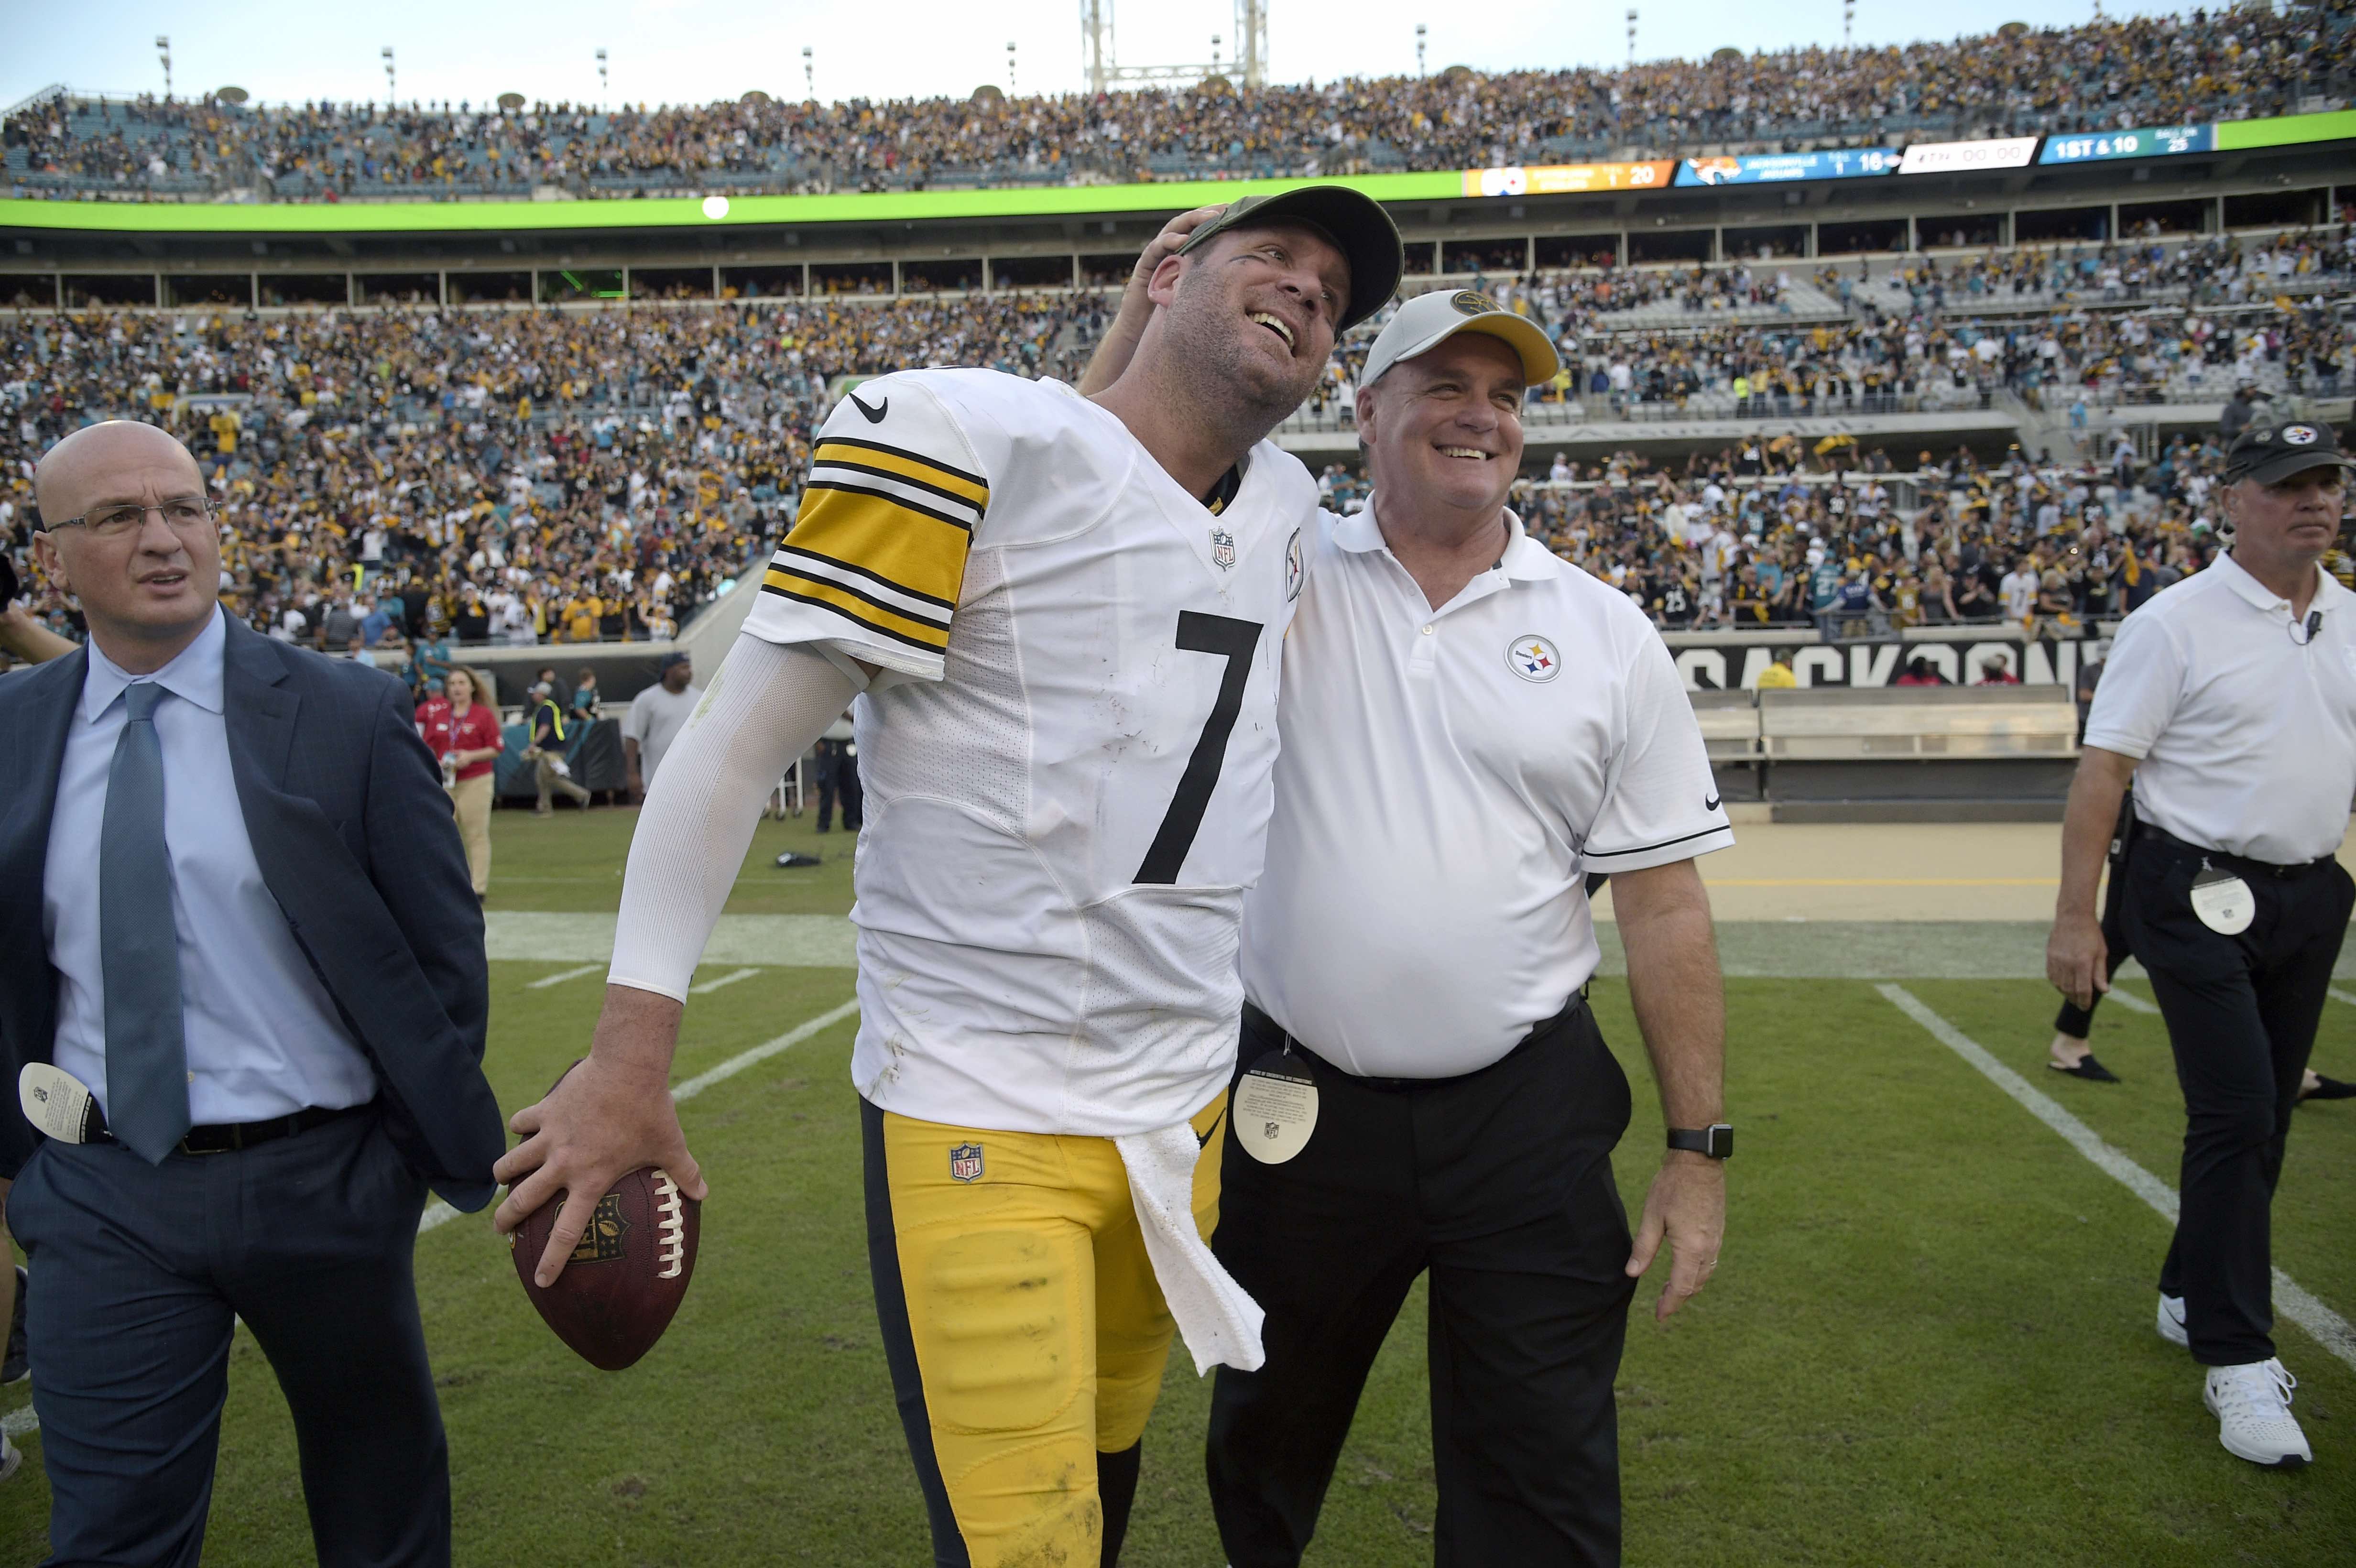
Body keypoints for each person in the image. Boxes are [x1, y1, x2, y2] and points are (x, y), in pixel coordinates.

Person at [492, 187, 1404, 1567]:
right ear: (1168, 272)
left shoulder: (1283, 505)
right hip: (982, 1102)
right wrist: (631, 1053)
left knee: (1100, 1496)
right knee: (1019, 1543)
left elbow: (1148, 510)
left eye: (1332, 293)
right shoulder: (969, 438)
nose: (1304, 293)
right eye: (1270, 255)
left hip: (1180, 1113)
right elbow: (732, 753)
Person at [1087, 240, 1729, 1568]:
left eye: (1505, 391)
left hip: (1530, 1109)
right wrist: (1143, 311)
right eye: (1443, 381)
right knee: (1267, 1435)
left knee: (1544, 1465)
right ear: (1361, 406)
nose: (1480, 412)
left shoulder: (1605, 630)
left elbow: (1663, 903)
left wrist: (1697, 1149)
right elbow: (1100, 481)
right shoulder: (1271, 556)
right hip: (1298, 1105)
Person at [0, 420, 503, 1561]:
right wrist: (32, 1164)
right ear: (54, 556)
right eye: (120, 518)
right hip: (101, 1187)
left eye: (185, 508)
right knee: (111, 1534)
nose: (165, 539)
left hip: (324, 1175)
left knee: (381, 1513)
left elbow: (441, 958)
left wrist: (385, 1162)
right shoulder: (15, 730)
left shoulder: (345, 713)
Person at [2046, 418, 2356, 1470]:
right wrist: (2076, 914)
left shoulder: (2353, 618)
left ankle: (2189, 1288)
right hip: (2193, 886)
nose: (2311, 500)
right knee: (2234, 1112)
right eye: (2285, 484)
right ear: (2230, 497)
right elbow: (2103, 772)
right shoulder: (2172, 622)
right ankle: (2237, 1356)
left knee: (2266, 1116)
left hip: (2312, 890)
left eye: (2325, 482)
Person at [423, 666, 505, 898]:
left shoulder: (483, 715)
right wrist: (437, 762)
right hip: (445, 783)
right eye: (453, 684)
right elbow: (426, 745)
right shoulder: (439, 716)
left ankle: (478, 888)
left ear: (471, 687)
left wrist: (470, 756)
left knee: (476, 834)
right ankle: (448, 885)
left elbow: (496, 748)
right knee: (443, 835)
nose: (457, 688)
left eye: (461, 683)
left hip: (476, 780)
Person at [622, 650, 699, 803]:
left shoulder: (700, 698)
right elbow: (632, 737)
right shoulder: (647, 699)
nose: (689, 672)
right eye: (683, 668)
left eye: (689, 667)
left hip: (694, 782)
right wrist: (632, 774)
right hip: (658, 782)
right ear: (668, 671)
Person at [526, 679, 592, 815]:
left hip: (552, 750)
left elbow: (545, 728)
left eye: (536, 693)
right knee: (545, 778)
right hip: (552, 749)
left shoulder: (546, 708)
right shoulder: (548, 707)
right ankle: (548, 806)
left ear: (542, 694)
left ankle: (548, 807)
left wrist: (534, 743)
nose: (533, 696)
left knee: (546, 778)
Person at [813, 714, 862, 833]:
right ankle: (824, 823)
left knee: (851, 784)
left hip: (849, 743)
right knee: (827, 786)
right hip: (829, 744)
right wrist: (817, 741)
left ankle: (851, 821)